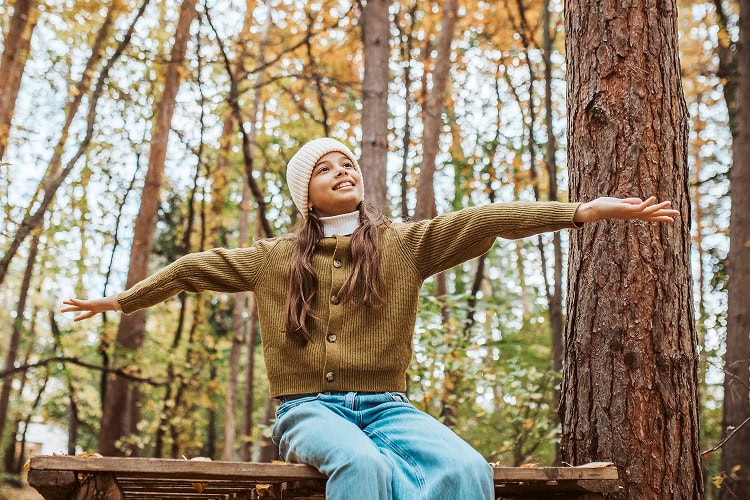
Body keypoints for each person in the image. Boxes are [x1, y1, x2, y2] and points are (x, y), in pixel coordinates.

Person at [62, 137, 679, 500]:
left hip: (389, 405)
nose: (344, 171)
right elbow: (191, 268)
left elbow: (489, 219)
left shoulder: (404, 245)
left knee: (465, 468)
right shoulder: (272, 259)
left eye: (349, 162)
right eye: (326, 168)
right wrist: (120, 302)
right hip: (307, 409)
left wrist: (580, 212)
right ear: (305, 193)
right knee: (364, 466)